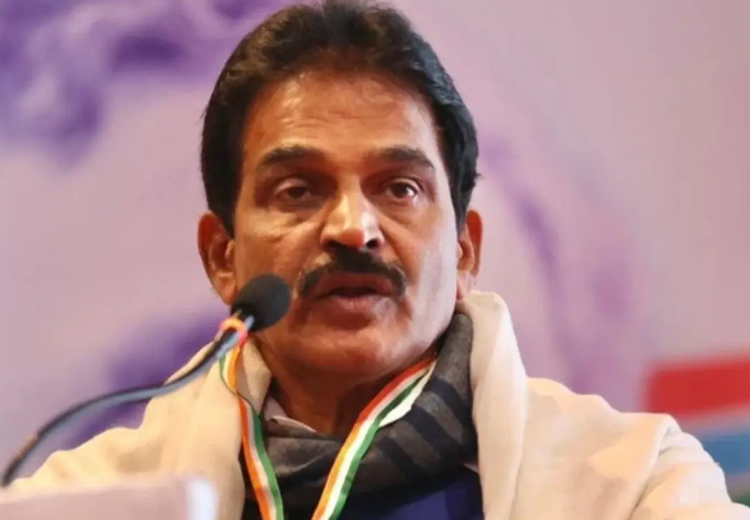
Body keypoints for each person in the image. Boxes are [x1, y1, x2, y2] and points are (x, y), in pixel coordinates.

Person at [8, 1, 749, 519]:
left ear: (465, 249)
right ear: (222, 257)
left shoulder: (633, 487)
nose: (353, 228)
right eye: (298, 190)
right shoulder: (82, 503)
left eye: (399, 188)